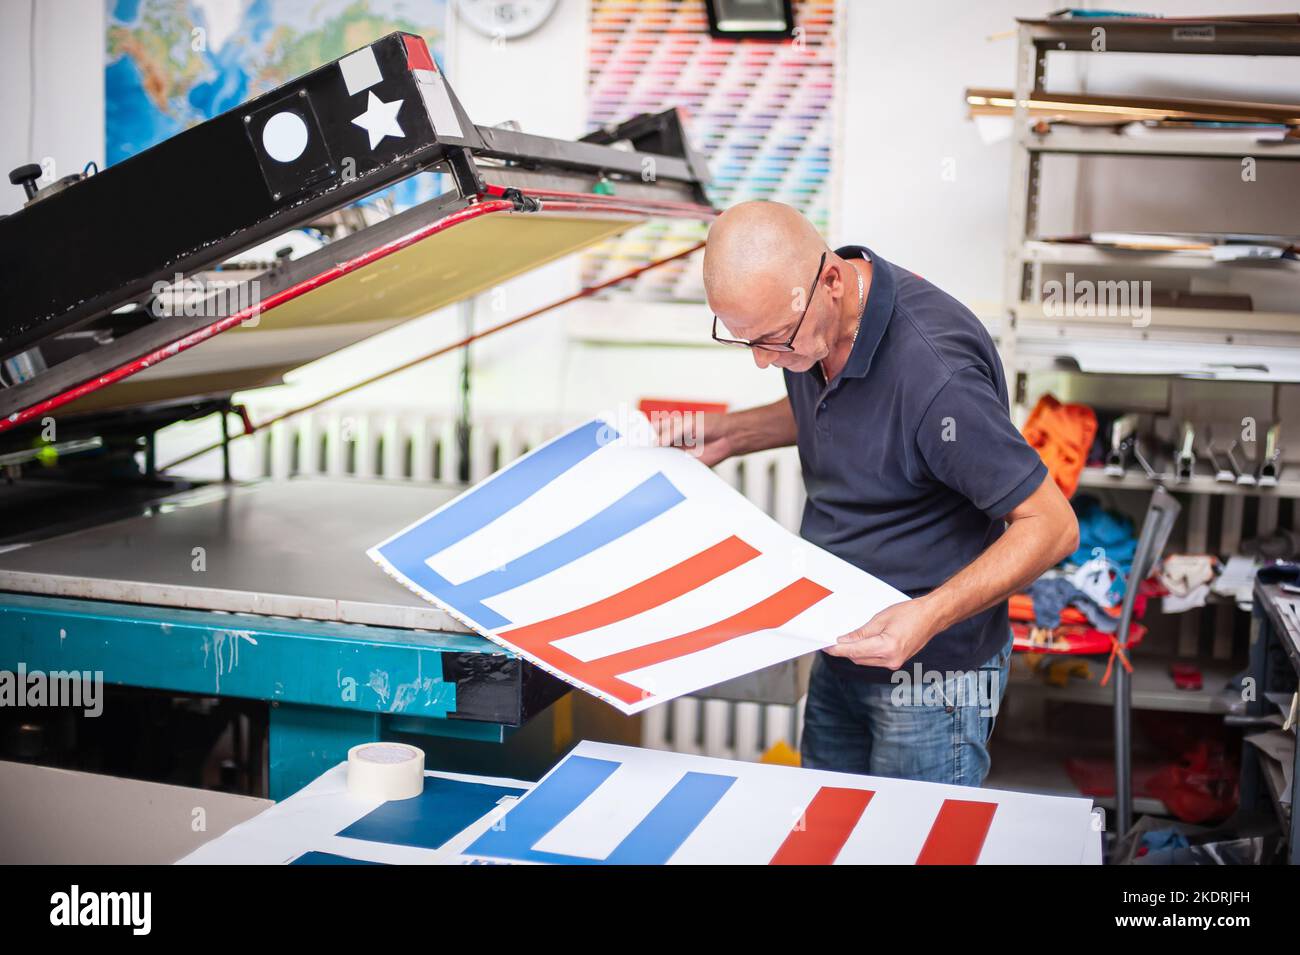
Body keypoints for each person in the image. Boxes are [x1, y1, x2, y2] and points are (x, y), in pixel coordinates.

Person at [658, 201, 1078, 786]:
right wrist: (730, 434)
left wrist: (925, 616)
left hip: (929, 678)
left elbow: (1052, 525)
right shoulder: (809, 322)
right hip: (840, 645)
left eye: (773, 341)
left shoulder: (938, 377)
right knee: (829, 835)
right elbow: (844, 409)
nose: (762, 361)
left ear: (829, 282)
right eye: (744, 341)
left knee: (911, 846)